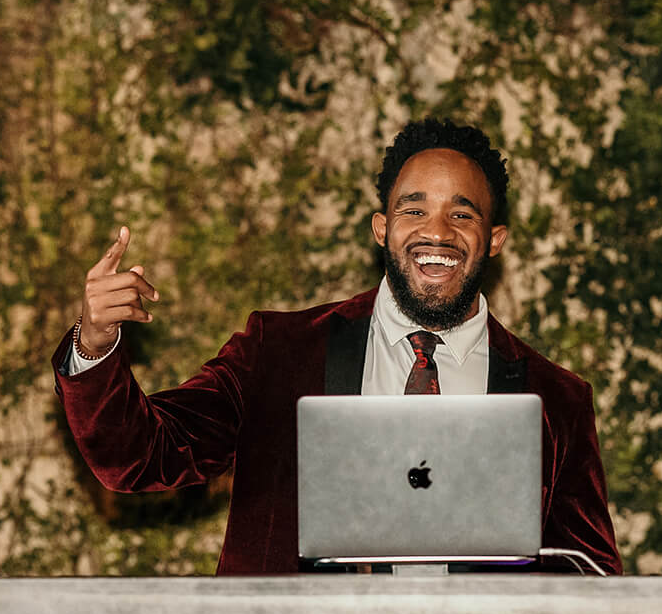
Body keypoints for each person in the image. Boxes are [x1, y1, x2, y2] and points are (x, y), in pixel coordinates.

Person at [53, 119, 621, 576]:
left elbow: (590, 579)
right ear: (381, 228)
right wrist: (95, 341)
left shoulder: (558, 400)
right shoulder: (277, 354)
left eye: (462, 213)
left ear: (494, 240)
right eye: (414, 209)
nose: (437, 231)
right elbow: (138, 458)